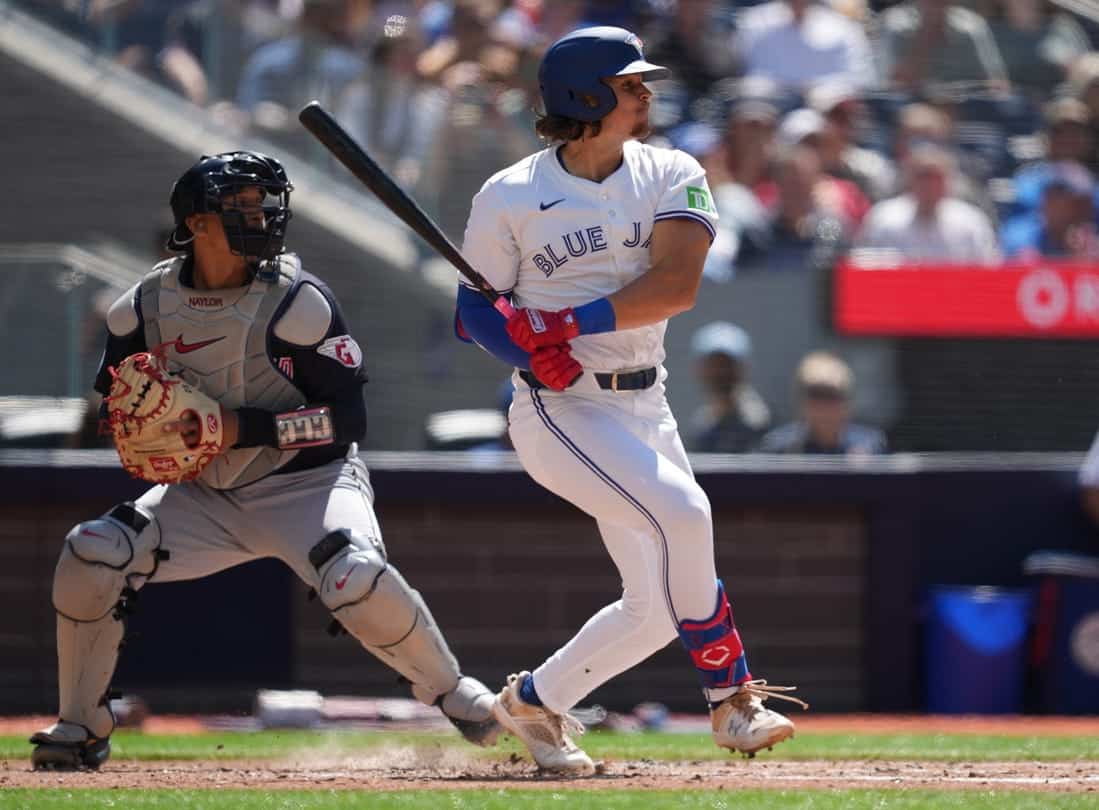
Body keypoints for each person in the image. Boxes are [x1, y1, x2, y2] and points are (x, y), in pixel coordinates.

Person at [29, 151, 500, 771]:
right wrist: (137, 429)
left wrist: (238, 427)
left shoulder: (297, 302)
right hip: (200, 495)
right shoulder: (140, 308)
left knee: (353, 573)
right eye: (241, 206)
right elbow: (111, 409)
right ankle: (80, 724)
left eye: (263, 202)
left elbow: (347, 421)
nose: (261, 216)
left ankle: (456, 695)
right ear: (197, 223)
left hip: (309, 484)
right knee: (92, 552)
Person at [454, 26, 807, 776]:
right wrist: (527, 351)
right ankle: (730, 697)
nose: (645, 91)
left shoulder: (671, 170)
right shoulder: (509, 194)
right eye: (628, 83)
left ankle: (531, 701)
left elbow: (675, 286)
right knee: (684, 513)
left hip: (647, 402)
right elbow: (473, 312)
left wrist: (561, 321)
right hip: (560, 408)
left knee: (653, 607)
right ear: (584, 96)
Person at [757, 351, 886, 455]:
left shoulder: (870, 446)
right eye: (816, 394)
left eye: (832, 396)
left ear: (848, 402)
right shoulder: (778, 447)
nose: (824, 405)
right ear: (801, 400)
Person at [687, 322, 771, 453]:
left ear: (742, 369)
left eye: (726, 365)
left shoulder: (759, 424)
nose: (720, 373)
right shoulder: (701, 424)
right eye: (713, 365)